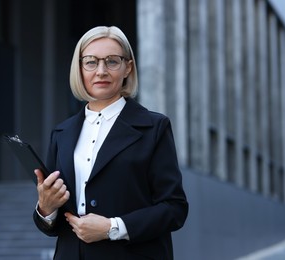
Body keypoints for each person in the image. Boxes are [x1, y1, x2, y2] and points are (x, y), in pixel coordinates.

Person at [33, 25, 188, 260]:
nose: (101, 71)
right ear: (80, 68)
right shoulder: (61, 133)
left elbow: (175, 209)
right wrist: (45, 208)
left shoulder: (154, 127)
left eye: (112, 61)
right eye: (91, 62)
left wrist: (112, 227)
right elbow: (53, 225)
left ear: (128, 67)